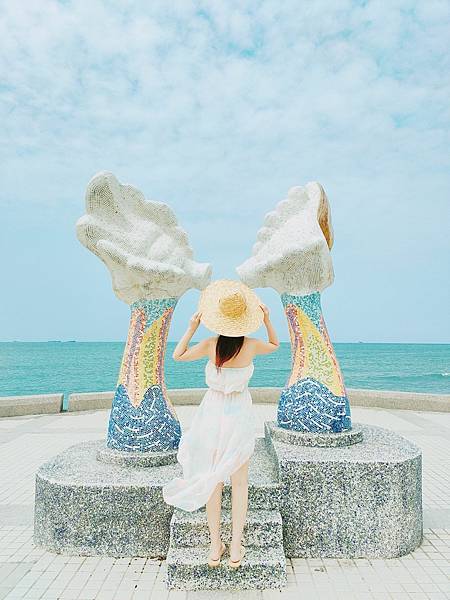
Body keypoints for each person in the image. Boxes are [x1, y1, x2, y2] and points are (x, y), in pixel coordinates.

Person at [162, 279, 279, 569]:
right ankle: (236, 547)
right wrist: (267, 319)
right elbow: (276, 344)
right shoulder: (251, 345)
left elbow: (177, 356)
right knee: (240, 483)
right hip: (238, 413)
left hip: (211, 414)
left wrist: (191, 327)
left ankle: (215, 547)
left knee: (213, 479)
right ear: (244, 321)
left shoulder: (210, 344)